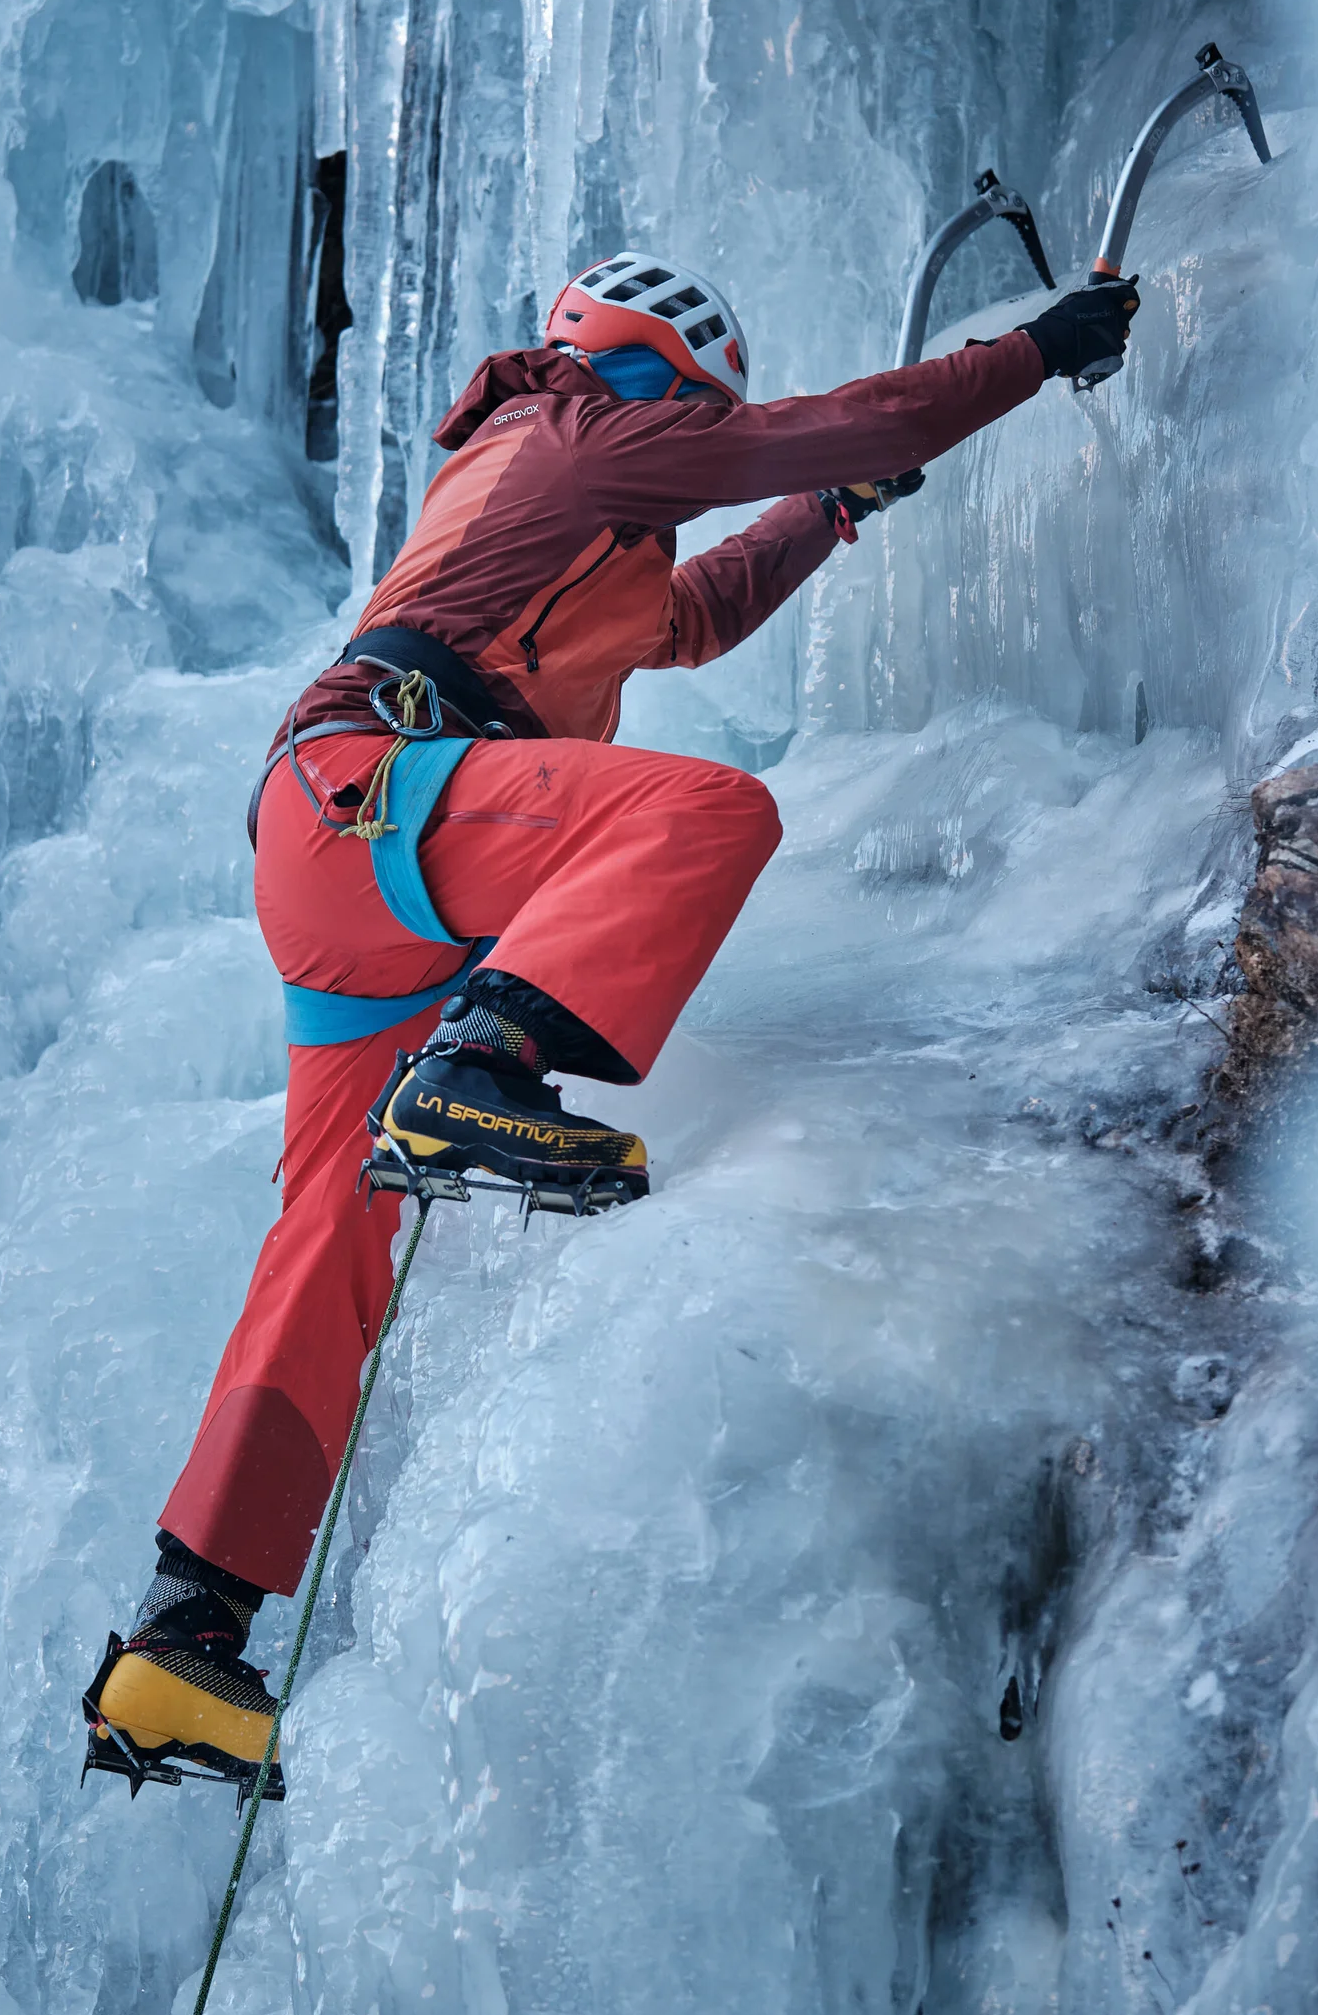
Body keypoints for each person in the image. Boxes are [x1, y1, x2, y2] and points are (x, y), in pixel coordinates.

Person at [81, 248, 1139, 1795]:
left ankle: (188, 1631)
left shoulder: (570, 511)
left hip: (343, 848)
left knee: (331, 1231)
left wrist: (833, 520)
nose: (696, 433)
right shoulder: (582, 432)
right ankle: (486, 1060)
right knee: (704, 812)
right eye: (694, 406)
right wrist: (1037, 350)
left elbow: (693, 616)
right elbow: (818, 427)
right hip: (383, 793)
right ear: (657, 376)